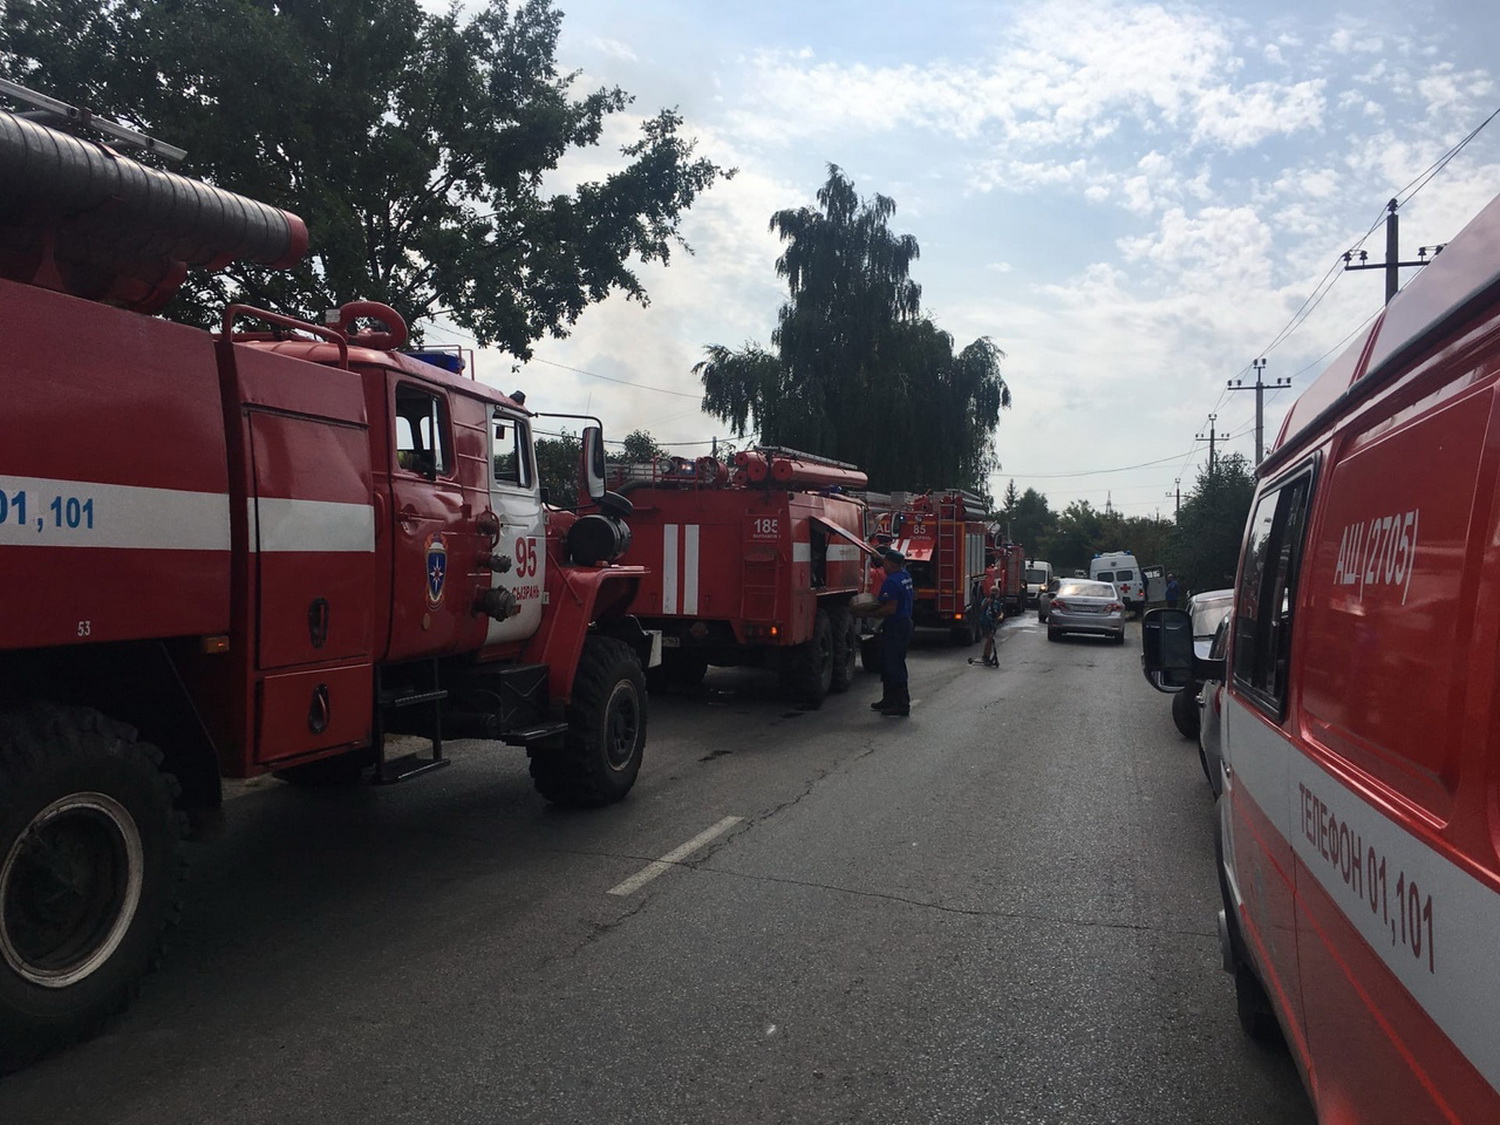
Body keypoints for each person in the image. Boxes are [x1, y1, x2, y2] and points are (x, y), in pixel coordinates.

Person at [865, 547, 915, 716]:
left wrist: (868, 613)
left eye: (885, 562)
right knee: (888, 662)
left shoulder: (892, 581)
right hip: (904, 622)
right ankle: (888, 699)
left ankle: (901, 703)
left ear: (892, 564)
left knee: (894, 663)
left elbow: (890, 609)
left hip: (896, 625)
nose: (882, 564)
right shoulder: (905, 576)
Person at [975, 586, 1004, 667]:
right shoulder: (986, 600)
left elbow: (1001, 612)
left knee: (990, 639)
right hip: (985, 621)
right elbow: (981, 608)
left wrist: (1000, 616)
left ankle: (987, 656)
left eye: (995, 592)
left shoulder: (997, 603)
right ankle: (985, 656)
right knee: (989, 637)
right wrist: (988, 603)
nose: (994, 593)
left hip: (993, 623)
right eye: (992, 591)